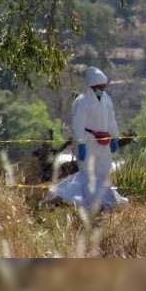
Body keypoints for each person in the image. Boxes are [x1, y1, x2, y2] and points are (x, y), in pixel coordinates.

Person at [47, 67, 127, 210]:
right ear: (92, 86)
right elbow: (78, 124)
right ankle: (80, 199)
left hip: (103, 142)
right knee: (88, 174)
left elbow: (111, 120)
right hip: (88, 141)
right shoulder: (82, 101)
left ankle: (103, 201)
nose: (102, 89)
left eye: (104, 86)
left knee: (103, 172)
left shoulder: (106, 99)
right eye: (100, 86)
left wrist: (115, 137)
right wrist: (81, 143)